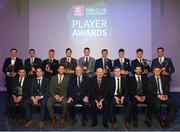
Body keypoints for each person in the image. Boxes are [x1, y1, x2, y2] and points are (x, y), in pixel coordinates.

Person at [2, 48, 23, 114]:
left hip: (17, 80)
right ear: (10, 53)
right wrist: (8, 73)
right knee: (9, 95)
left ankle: (17, 109)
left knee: (17, 94)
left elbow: (22, 68)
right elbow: (3, 69)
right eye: (12, 52)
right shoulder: (7, 60)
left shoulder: (19, 60)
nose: (13, 53)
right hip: (9, 80)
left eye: (14, 52)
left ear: (16, 53)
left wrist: (16, 73)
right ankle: (8, 109)